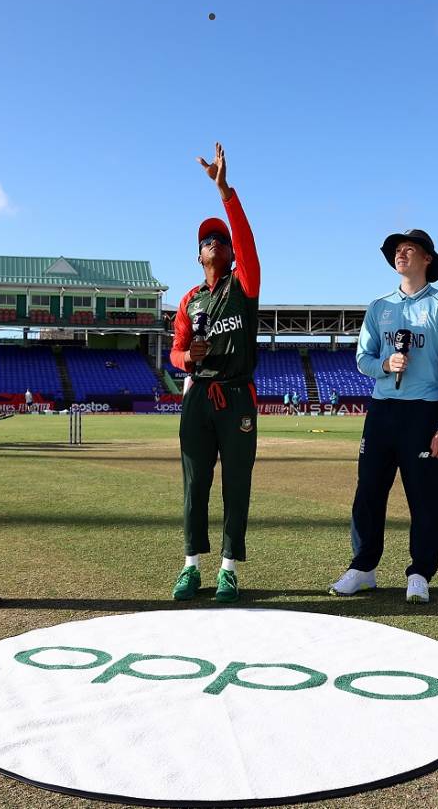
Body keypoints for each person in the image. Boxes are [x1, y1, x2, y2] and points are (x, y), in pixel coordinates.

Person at [329, 229, 438, 604]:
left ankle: (420, 573)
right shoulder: (379, 307)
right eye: (396, 251)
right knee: (368, 491)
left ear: (427, 259)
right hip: (382, 409)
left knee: (425, 497)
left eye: (409, 249)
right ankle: (363, 568)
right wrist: (386, 364)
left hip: (424, 411)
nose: (400, 254)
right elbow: (363, 358)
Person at [168, 142, 260, 604]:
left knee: (236, 485)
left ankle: (228, 570)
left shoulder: (243, 284)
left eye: (220, 240)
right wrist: (189, 357)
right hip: (198, 397)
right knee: (194, 484)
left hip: (237, 395)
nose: (214, 244)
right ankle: (191, 566)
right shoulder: (190, 300)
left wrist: (225, 192)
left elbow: (245, 240)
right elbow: (174, 352)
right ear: (197, 256)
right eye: (207, 241)